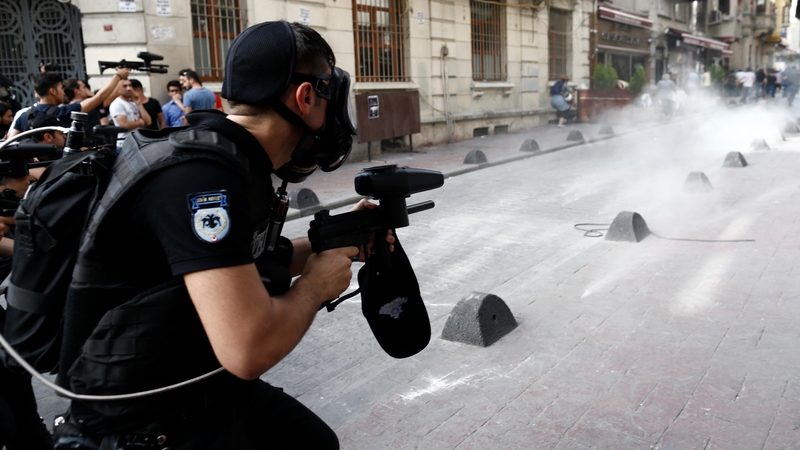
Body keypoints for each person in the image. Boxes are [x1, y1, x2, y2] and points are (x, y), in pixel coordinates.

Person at [55, 20, 391, 449]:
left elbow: (240, 261)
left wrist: (343, 238)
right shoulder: (202, 179)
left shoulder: (230, 156)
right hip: (136, 421)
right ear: (307, 98)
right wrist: (314, 288)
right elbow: (249, 349)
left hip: (195, 382)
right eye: (332, 99)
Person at [7, 69, 129, 138]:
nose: (64, 93)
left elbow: (12, 140)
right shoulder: (62, 112)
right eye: (61, 89)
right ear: (52, 91)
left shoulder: (23, 115)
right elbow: (99, 98)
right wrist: (118, 76)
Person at [109, 78, 152, 152]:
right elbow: (124, 125)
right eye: (124, 86)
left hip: (138, 143)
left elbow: (148, 122)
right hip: (125, 145)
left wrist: (139, 104)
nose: (128, 88)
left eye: (130, 85)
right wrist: (140, 123)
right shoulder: (117, 103)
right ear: (118, 88)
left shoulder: (133, 103)